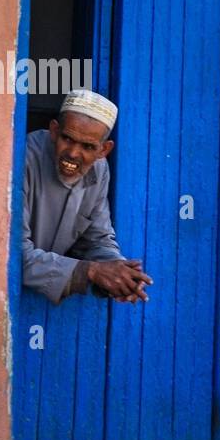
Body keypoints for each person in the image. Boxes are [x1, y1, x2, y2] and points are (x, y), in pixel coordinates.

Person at [22, 89, 152, 305]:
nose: (73, 153)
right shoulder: (25, 157)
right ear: (54, 131)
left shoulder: (98, 170)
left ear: (104, 150)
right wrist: (90, 271)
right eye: (67, 138)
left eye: (88, 146)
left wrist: (119, 272)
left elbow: (97, 237)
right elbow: (13, 255)